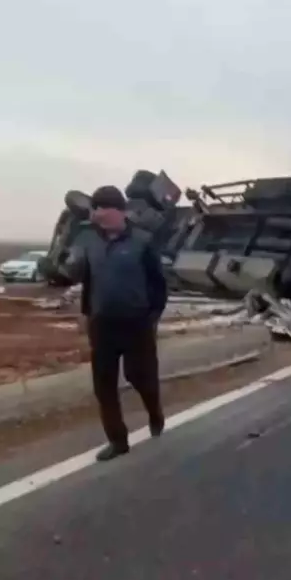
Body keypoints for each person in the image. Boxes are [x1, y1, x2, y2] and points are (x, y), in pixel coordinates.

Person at [64, 185, 167, 462]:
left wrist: (152, 316)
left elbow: (158, 284)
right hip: (102, 325)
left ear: (117, 211)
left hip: (137, 324)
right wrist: (71, 266)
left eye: (101, 208)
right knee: (104, 386)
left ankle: (155, 412)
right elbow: (80, 276)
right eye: (94, 208)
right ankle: (117, 441)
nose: (95, 213)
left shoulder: (142, 241)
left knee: (139, 376)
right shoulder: (88, 240)